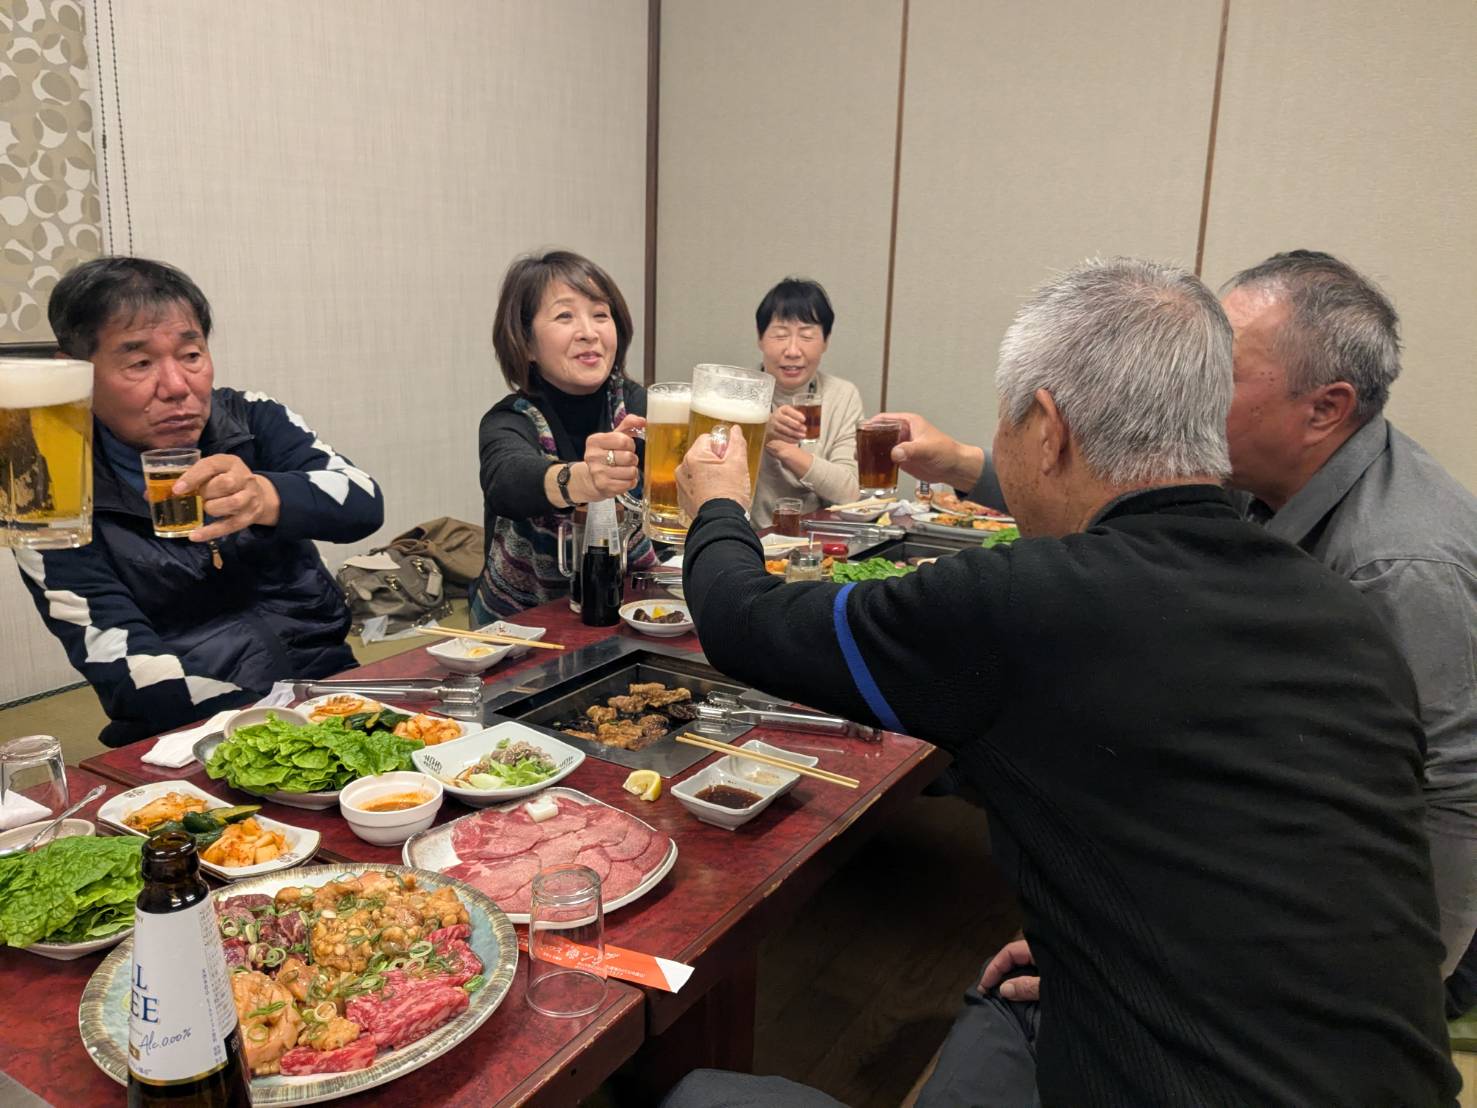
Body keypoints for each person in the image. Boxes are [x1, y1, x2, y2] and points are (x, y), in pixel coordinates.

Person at [667, 259, 1457, 1105]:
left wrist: (717, 503)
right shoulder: (1342, 609)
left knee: (701, 1097)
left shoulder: (1032, 601)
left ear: (1048, 429)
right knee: (1002, 1009)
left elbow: (743, 622)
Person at [1219, 250, 1477, 996]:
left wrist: (1393, 994)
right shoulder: (1259, 478)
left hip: (1410, 913)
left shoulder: (1396, 565)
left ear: (1325, 410)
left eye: (1221, 373)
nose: (1188, 390)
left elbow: (1456, 793)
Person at [16, 257, 384, 747]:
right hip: (189, 727)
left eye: (191, 355)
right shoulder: (45, 486)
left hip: (328, 687)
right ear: (76, 372)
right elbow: (114, 655)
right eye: (140, 363)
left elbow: (363, 502)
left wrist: (266, 496)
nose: (177, 387)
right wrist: (263, 728)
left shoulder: (251, 419)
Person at [472, 250, 656, 621]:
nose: (589, 332)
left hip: (628, 607)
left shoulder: (636, 405)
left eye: (600, 315)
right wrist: (583, 481)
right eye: (565, 316)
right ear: (526, 344)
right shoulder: (511, 419)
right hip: (522, 624)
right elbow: (506, 480)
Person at [749, 278, 862, 527]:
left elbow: (850, 492)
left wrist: (784, 449)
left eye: (807, 336)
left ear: (826, 341)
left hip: (818, 538)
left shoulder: (842, 395)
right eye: (780, 335)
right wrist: (760, 430)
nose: (792, 351)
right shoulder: (739, 395)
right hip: (749, 538)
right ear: (760, 338)